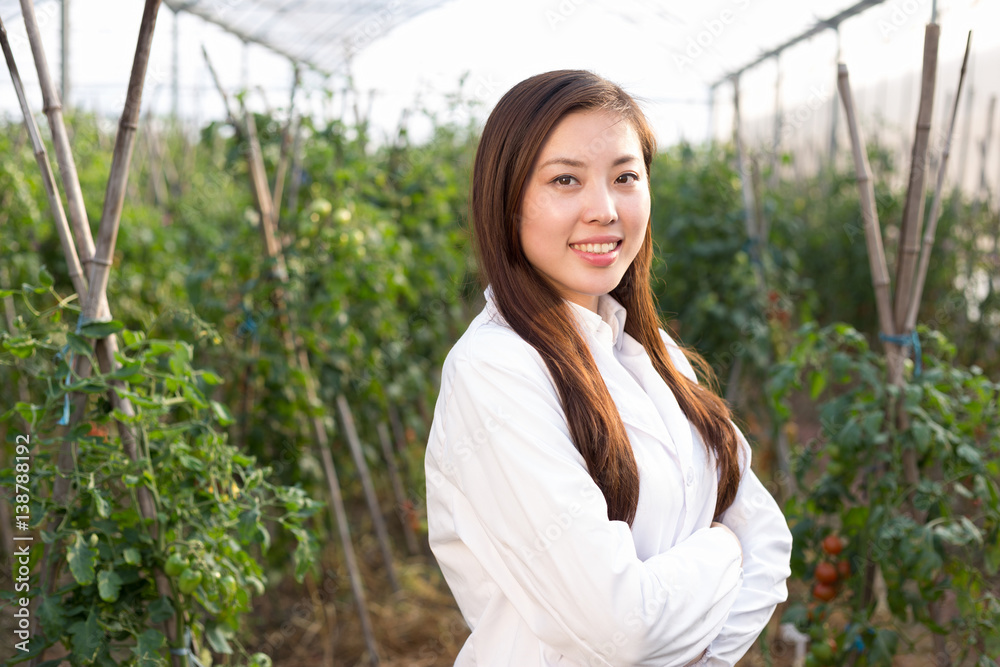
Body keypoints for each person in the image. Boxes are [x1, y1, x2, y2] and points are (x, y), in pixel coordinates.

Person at [424, 69, 792, 667]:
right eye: (565, 180)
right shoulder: (493, 370)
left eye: (625, 177)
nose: (603, 209)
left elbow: (771, 546)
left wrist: (699, 654)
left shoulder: (656, 357)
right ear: (506, 198)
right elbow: (621, 628)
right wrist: (726, 547)